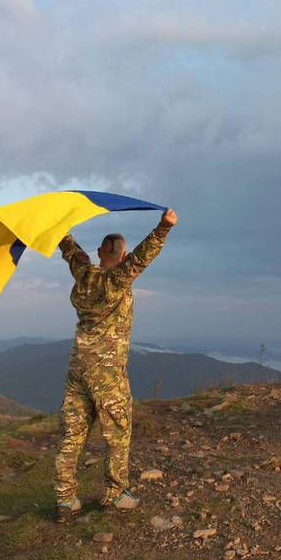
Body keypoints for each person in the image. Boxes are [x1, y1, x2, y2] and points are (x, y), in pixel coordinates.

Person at [53, 207, 178, 521]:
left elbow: (70, 250)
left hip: (78, 368)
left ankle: (65, 500)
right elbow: (142, 257)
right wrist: (164, 227)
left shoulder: (84, 273)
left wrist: (57, 227)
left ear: (99, 252)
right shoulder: (119, 279)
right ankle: (114, 494)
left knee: (72, 434)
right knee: (117, 432)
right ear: (121, 257)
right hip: (108, 372)